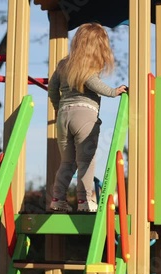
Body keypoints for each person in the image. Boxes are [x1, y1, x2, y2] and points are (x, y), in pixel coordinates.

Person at [47, 23, 127, 212]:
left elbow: (52, 88)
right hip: (85, 115)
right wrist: (113, 92)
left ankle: (57, 200)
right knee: (86, 160)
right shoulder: (88, 65)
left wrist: (59, 107)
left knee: (66, 162)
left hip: (64, 117)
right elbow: (92, 82)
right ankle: (84, 201)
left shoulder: (64, 63)